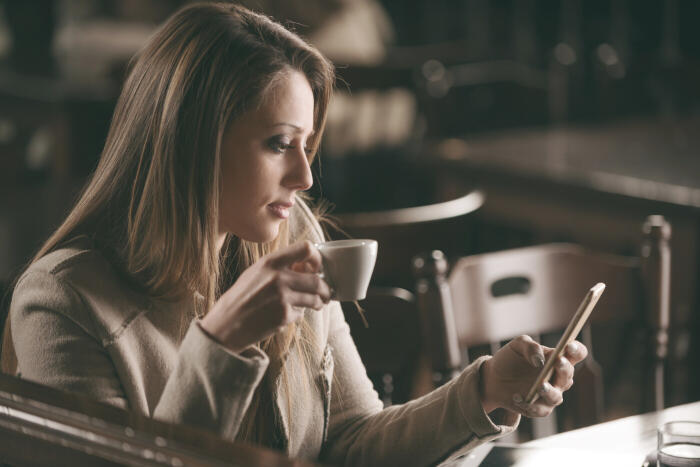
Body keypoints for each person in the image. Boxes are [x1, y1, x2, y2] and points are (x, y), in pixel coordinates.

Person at [1, 3, 587, 465]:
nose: (304, 177)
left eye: (307, 146)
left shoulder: (285, 243)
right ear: (192, 143)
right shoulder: (63, 304)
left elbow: (351, 444)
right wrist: (221, 345)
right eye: (280, 143)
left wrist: (482, 393)